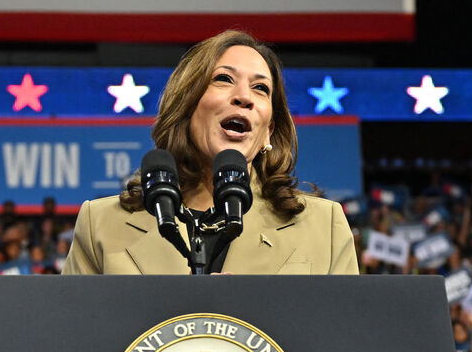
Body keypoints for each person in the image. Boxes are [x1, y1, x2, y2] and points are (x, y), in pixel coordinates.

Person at [62, 30, 358, 275]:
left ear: (268, 130)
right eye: (224, 79)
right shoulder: (100, 225)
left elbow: (343, 341)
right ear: (186, 105)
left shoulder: (324, 227)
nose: (244, 97)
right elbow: (72, 339)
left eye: (261, 88)